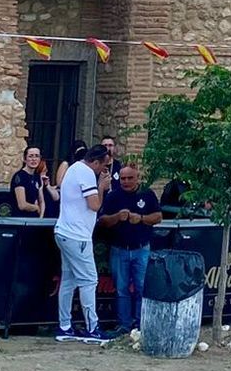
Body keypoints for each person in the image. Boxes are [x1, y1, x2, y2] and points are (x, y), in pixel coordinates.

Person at [97, 158, 162, 333]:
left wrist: (141, 218)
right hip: (119, 249)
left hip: (141, 248)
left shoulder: (147, 194)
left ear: (137, 178)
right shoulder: (114, 196)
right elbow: (102, 220)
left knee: (142, 288)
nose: (125, 182)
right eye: (123, 179)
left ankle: (141, 324)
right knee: (121, 289)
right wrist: (117, 217)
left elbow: (158, 216)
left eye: (129, 178)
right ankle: (124, 325)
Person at [55, 143, 110, 344]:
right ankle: (92, 328)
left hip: (64, 231)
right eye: (103, 166)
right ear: (95, 162)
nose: (103, 171)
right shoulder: (86, 173)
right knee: (89, 280)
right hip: (77, 236)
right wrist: (102, 187)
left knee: (68, 280)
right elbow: (94, 205)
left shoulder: (74, 168)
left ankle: (64, 326)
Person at [10, 144, 58, 218]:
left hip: (34, 220)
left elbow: (41, 201)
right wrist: (36, 207)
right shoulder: (19, 177)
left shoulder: (37, 177)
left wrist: (40, 218)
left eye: (36, 156)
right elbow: (22, 205)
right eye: (31, 156)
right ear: (25, 159)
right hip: (20, 220)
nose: (34, 159)